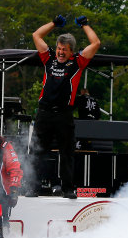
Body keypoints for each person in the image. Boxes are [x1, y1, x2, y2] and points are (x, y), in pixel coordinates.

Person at [29, 14, 101, 199]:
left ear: (71, 51)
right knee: (38, 152)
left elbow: (95, 43)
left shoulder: (77, 62)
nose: (61, 52)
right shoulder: (48, 58)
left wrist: (85, 25)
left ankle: (68, 189)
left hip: (64, 115)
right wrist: (53, 23)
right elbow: (36, 35)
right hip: (44, 113)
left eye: (65, 50)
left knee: (67, 152)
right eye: (59, 48)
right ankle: (33, 187)